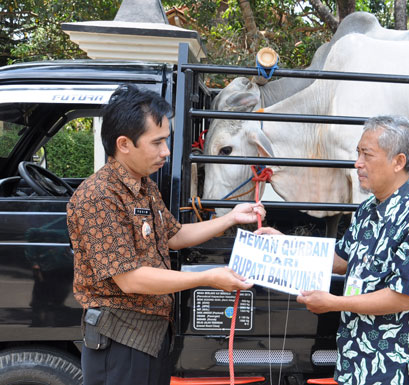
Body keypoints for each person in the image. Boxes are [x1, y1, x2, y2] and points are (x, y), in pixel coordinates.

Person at [66, 84, 265, 385]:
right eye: (157, 142)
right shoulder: (99, 196)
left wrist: (231, 218)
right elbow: (131, 278)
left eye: (166, 140)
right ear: (124, 144)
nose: (166, 151)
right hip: (120, 340)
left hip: (151, 335)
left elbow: (173, 235)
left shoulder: (143, 185)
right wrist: (208, 277)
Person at [256, 115, 409, 384]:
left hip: (394, 370)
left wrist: (333, 303)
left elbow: (403, 298)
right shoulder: (367, 209)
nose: (358, 163)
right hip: (354, 362)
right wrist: (285, 245)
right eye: (358, 153)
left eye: (367, 155)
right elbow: (342, 259)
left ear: (398, 161)